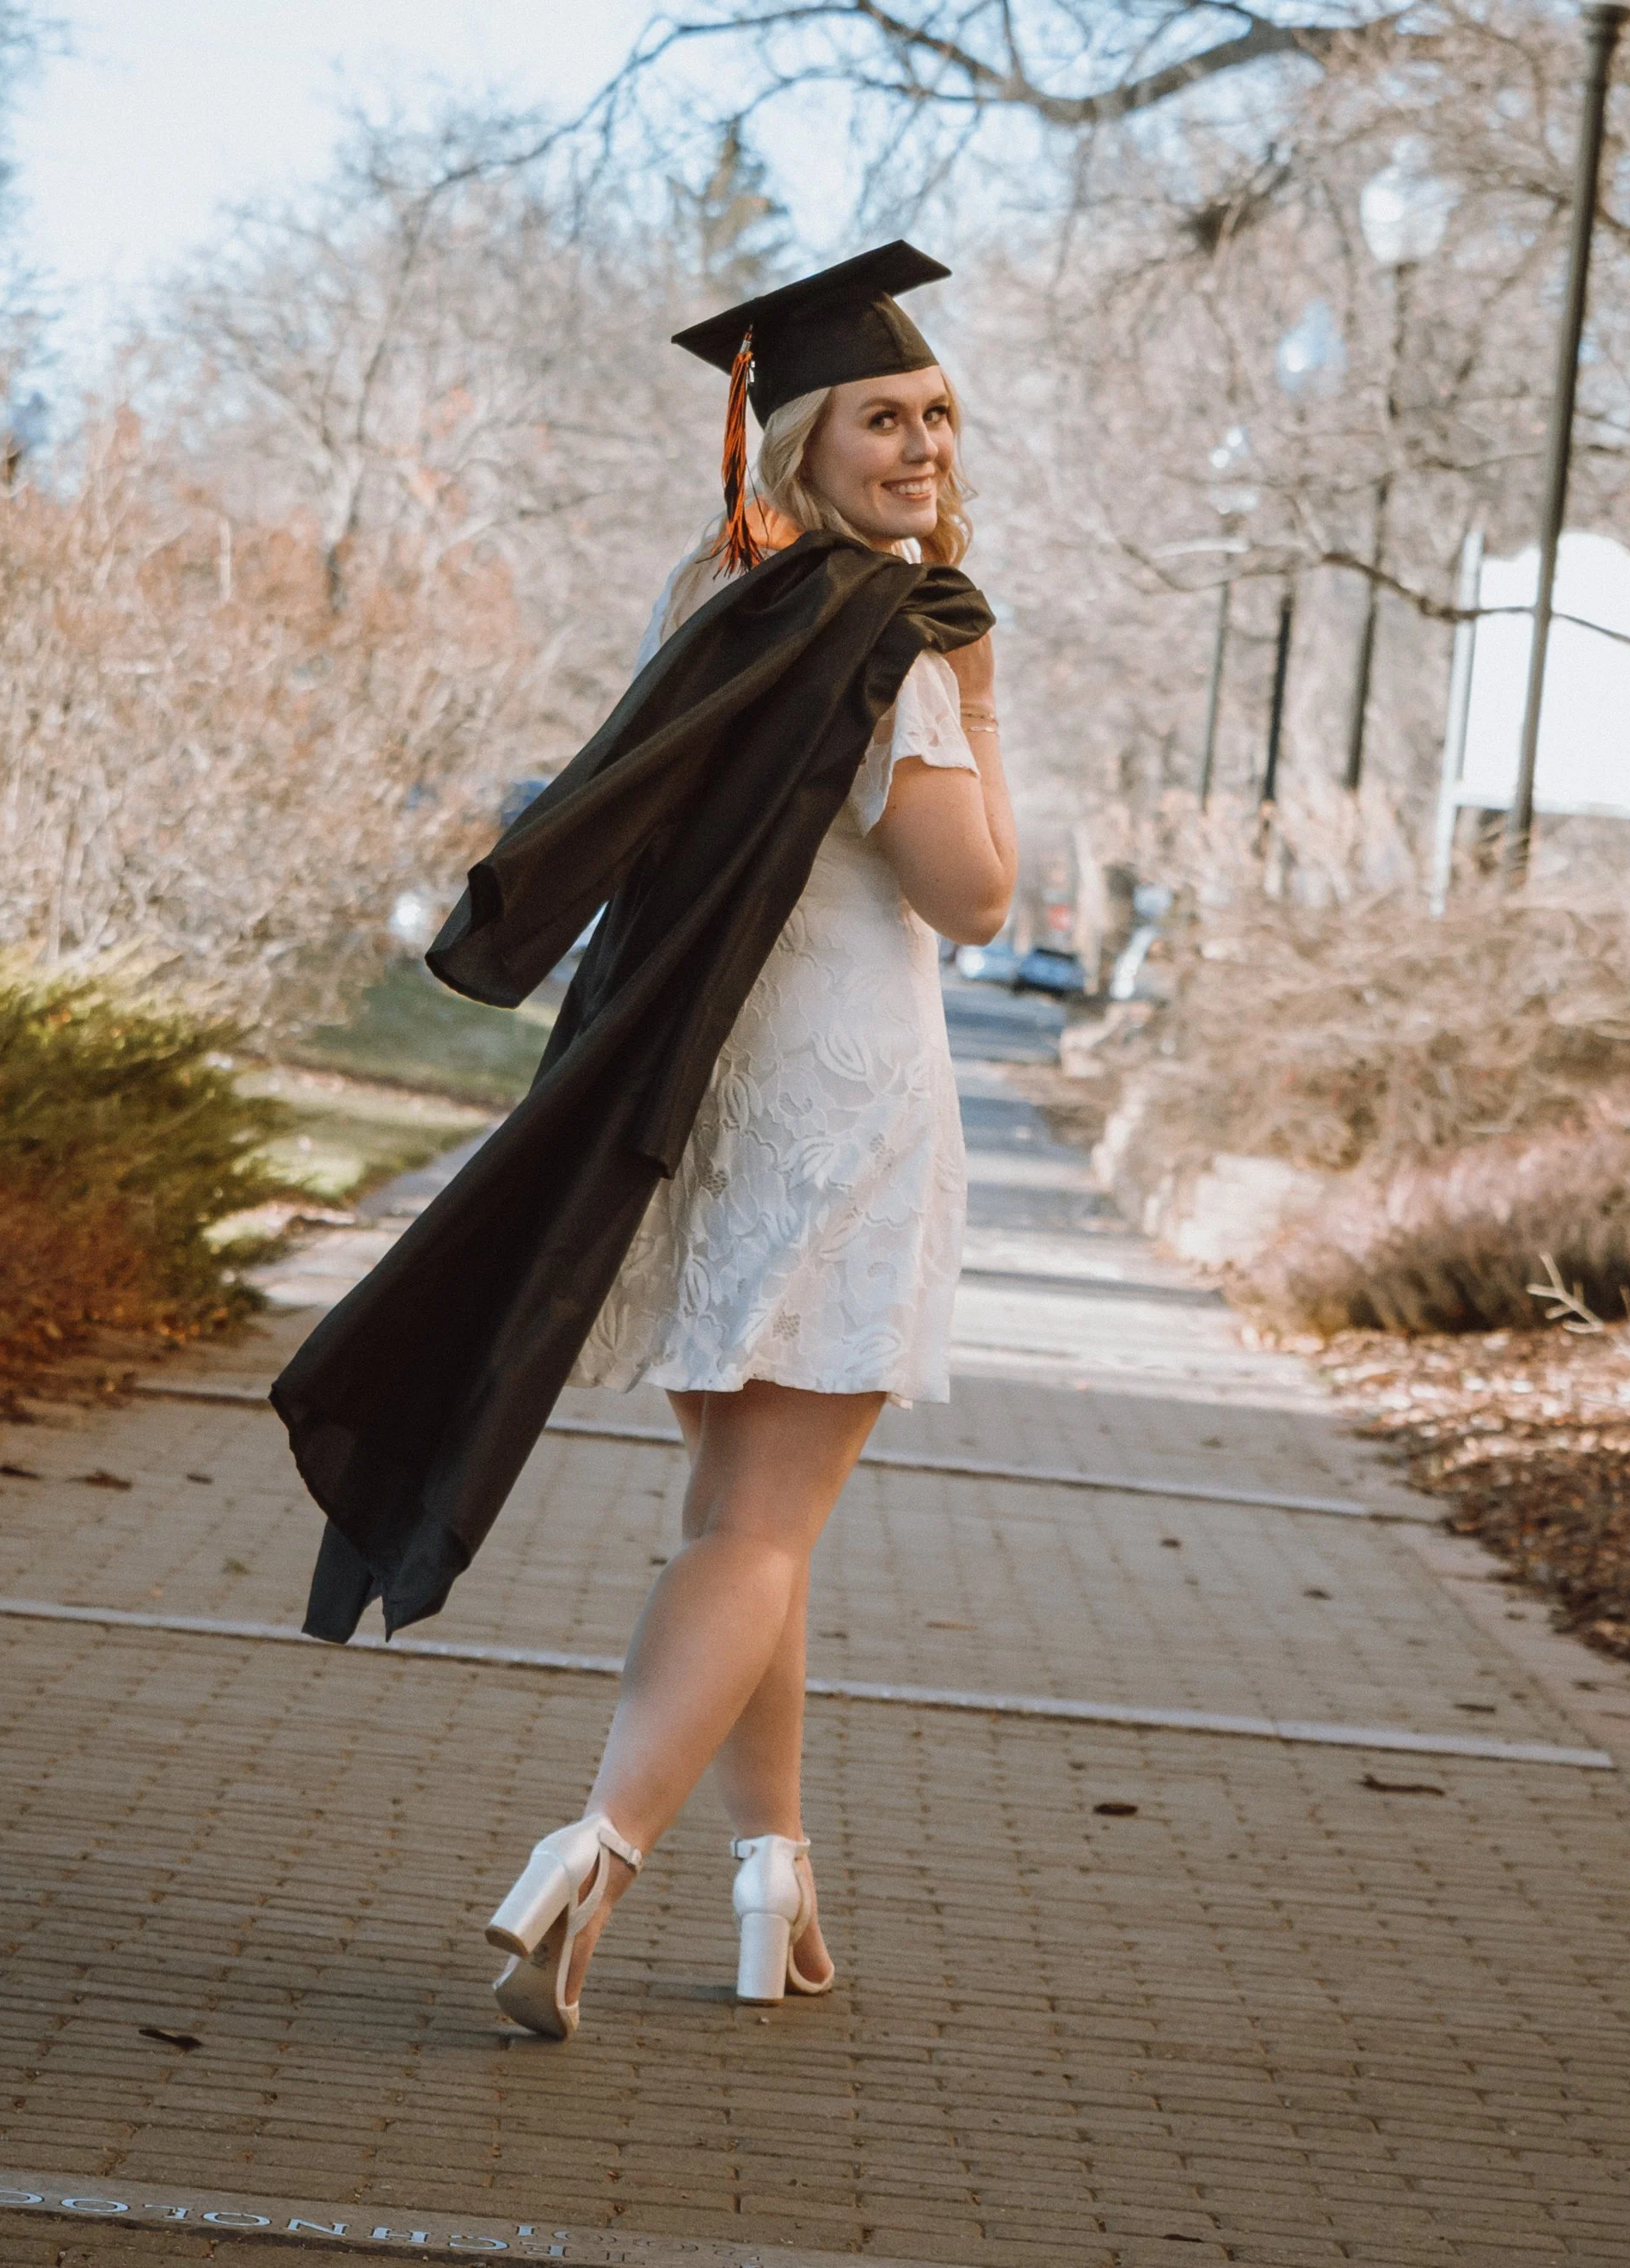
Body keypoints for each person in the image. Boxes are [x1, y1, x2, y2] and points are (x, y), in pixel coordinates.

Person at [483, 249, 1018, 2038]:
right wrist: (984, 704)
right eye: (882, 415)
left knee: (746, 1520)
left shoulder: (713, 598)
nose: (921, 440)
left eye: (937, 413)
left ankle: (769, 1870)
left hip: (712, 1092)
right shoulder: (889, 636)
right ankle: (593, 1853)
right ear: (802, 437)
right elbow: (973, 898)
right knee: (763, 1521)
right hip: (842, 1104)